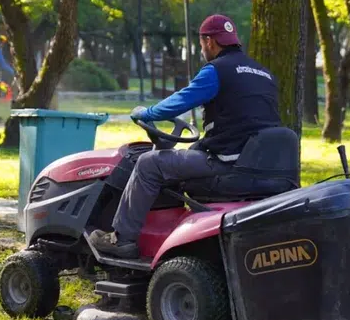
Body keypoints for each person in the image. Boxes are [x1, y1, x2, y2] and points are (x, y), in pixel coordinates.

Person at [90, 14, 280, 259]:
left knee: (148, 164)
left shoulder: (217, 70)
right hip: (262, 164)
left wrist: (145, 113)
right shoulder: (265, 74)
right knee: (191, 153)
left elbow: (179, 101)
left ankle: (122, 239)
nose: (203, 48)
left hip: (228, 164)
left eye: (202, 44)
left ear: (209, 42)